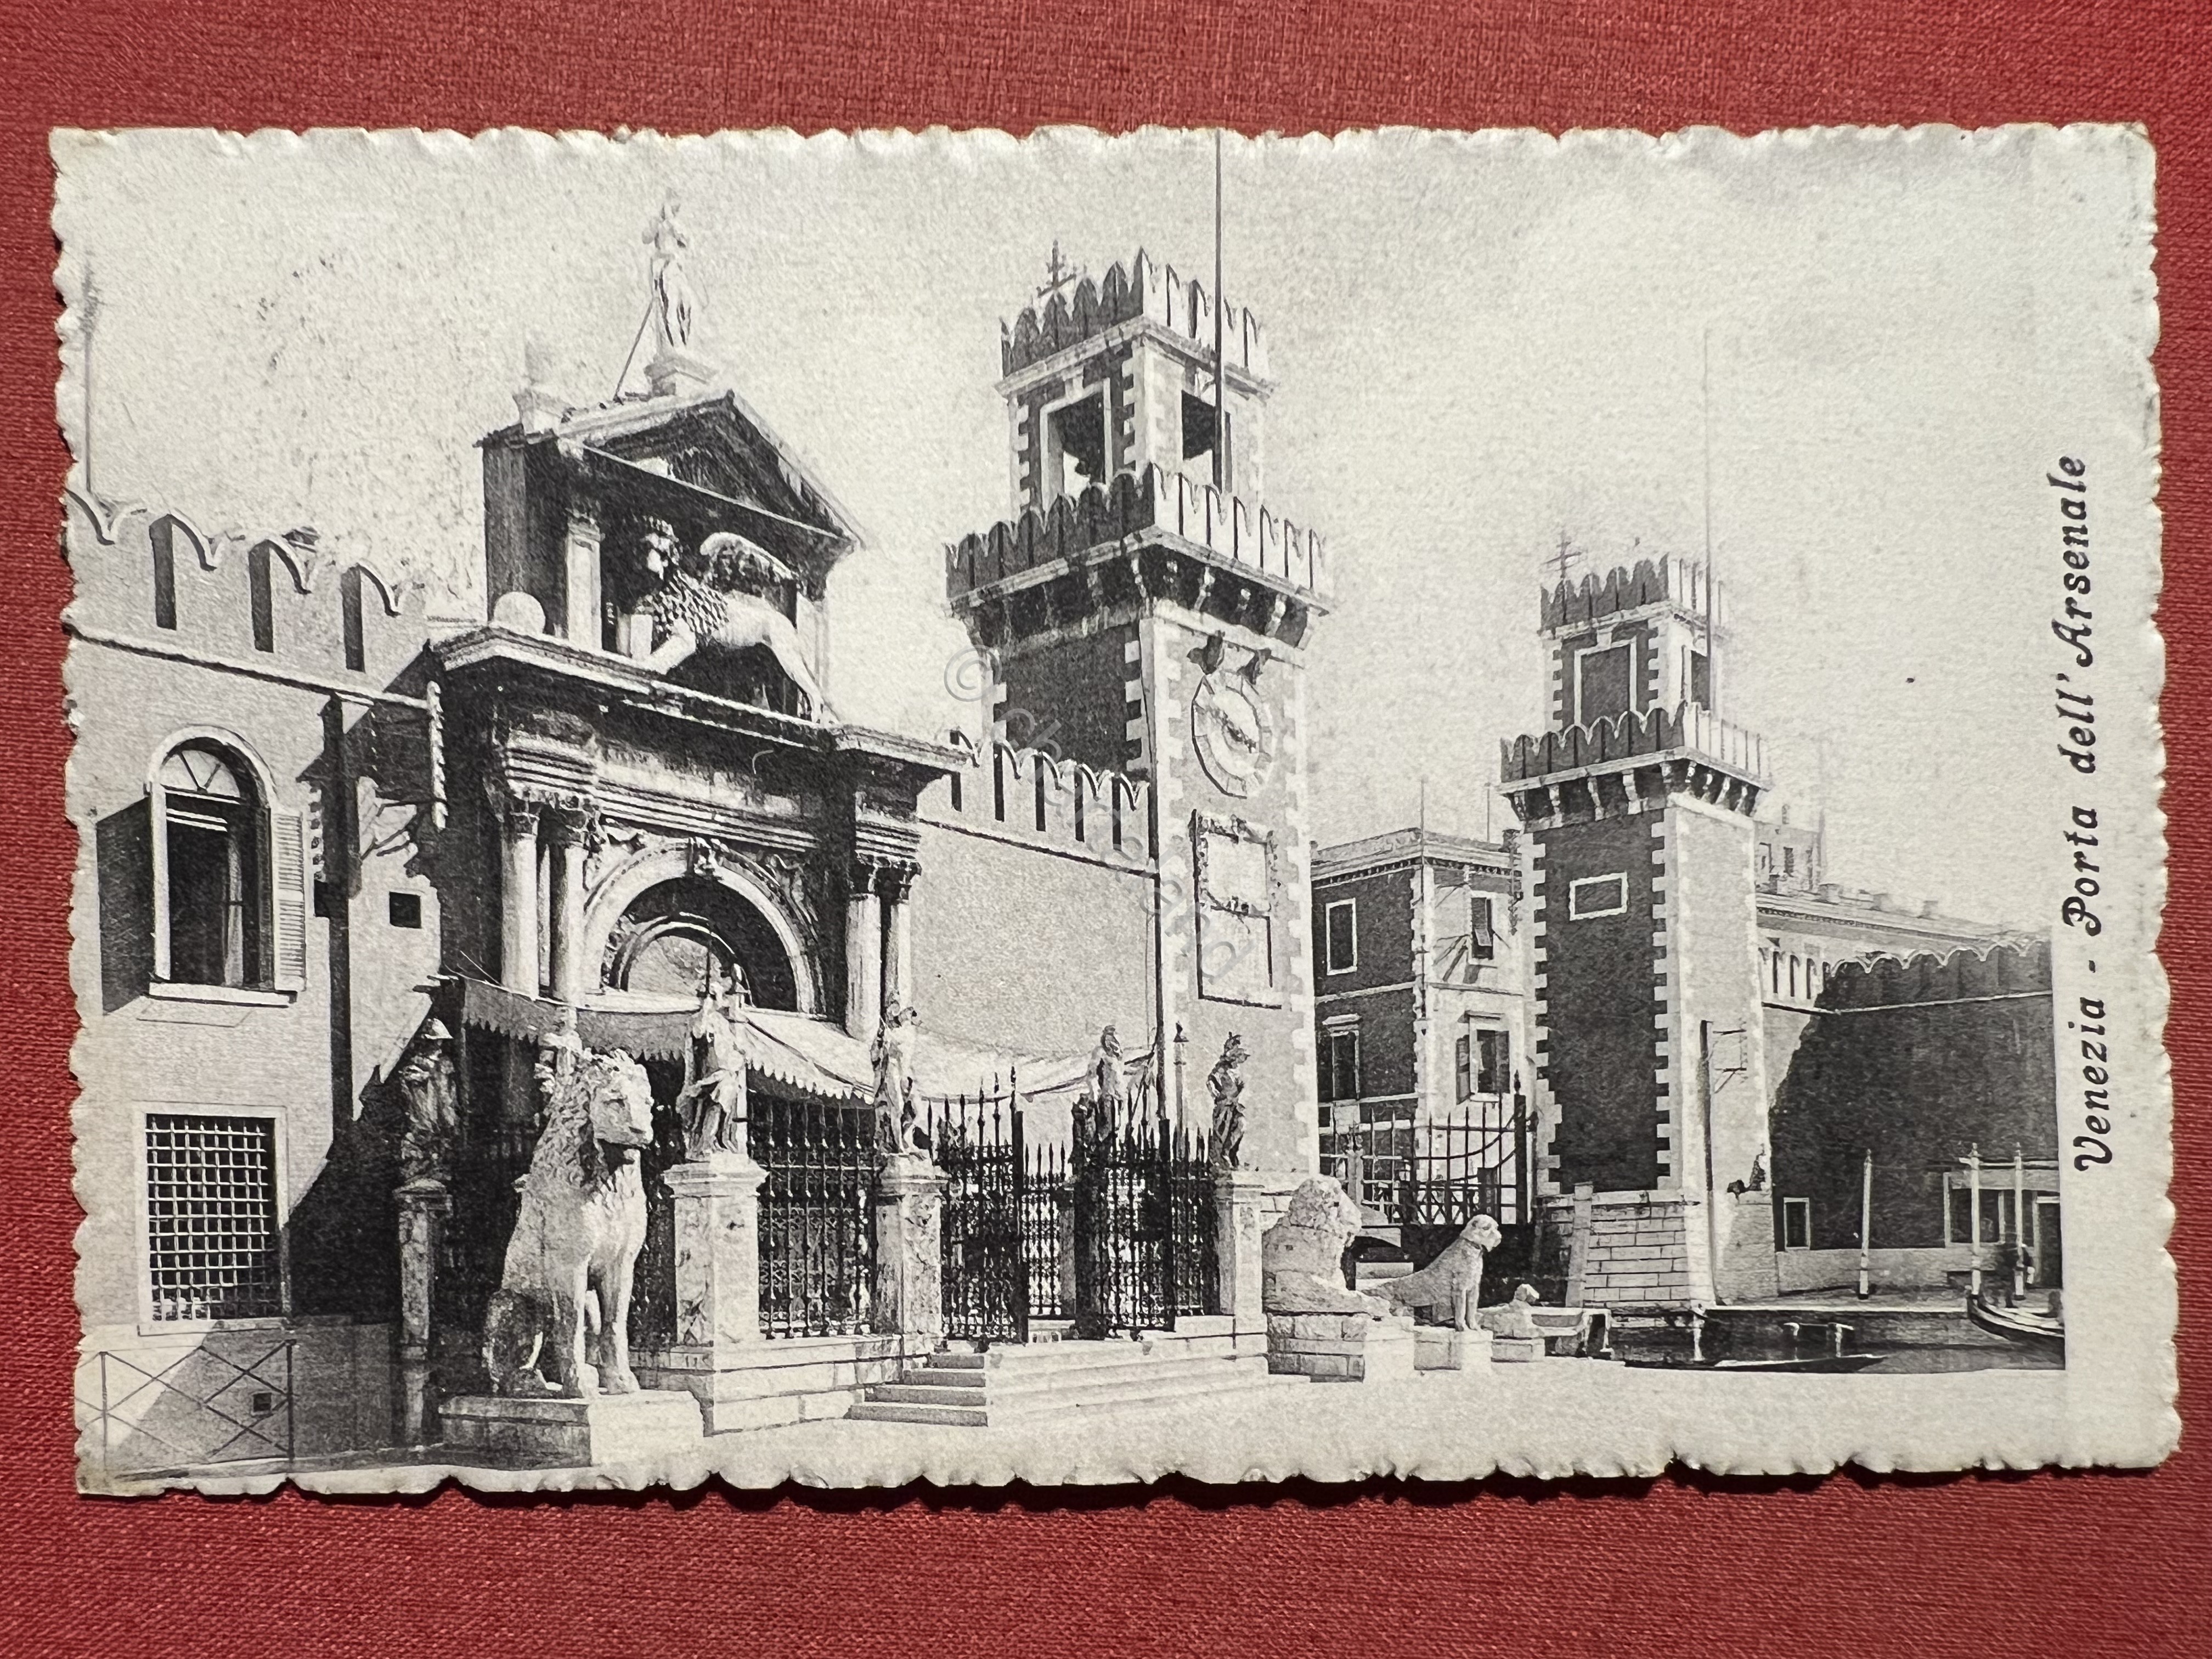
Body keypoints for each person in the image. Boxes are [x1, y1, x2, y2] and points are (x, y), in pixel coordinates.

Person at [677, 960, 752, 1160]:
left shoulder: (721, 1021)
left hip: (723, 1072)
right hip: (707, 1076)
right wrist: (706, 1009)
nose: (719, 1001)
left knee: (723, 1099)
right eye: (713, 997)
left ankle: (713, 1141)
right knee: (719, 1095)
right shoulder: (698, 1019)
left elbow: (732, 1049)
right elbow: (699, 1033)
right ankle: (706, 1142)